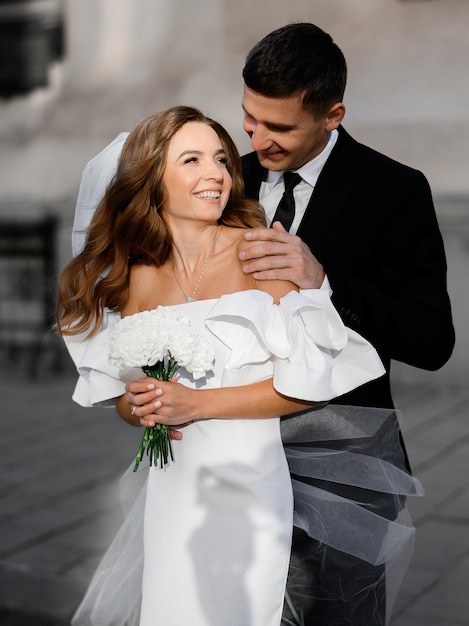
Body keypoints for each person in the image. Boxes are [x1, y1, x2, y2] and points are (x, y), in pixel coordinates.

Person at [69, 23, 454, 626]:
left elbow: (432, 339)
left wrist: (325, 281)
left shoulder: (394, 189)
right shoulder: (223, 178)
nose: (257, 138)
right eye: (249, 119)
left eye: (279, 127)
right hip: (214, 466)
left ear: (332, 115)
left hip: (339, 459)